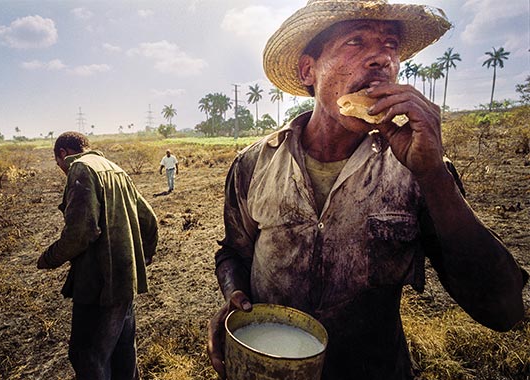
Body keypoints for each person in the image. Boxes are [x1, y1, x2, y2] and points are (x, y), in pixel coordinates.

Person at [207, 1, 528, 379]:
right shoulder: (254, 164)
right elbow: (233, 252)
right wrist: (233, 296)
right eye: (356, 41)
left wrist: (433, 174)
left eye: (390, 45)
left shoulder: (419, 172)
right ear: (308, 69)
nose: (381, 58)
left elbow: (503, 311)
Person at [37, 131, 158, 380]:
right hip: (125, 281)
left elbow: (81, 233)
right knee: (123, 354)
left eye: (58, 162)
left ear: (63, 153)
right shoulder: (115, 168)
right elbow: (150, 221)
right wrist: (141, 259)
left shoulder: (80, 169)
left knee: (86, 355)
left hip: (98, 285)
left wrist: (48, 258)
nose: (60, 168)